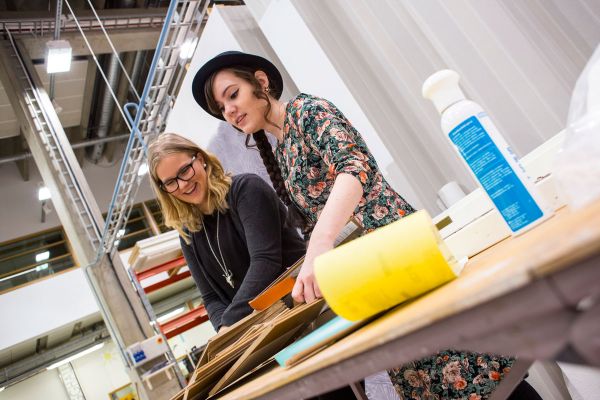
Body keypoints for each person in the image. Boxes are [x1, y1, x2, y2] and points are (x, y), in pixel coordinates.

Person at [190, 51, 541, 400]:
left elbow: (354, 166)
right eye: (221, 108)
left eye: (232, 95)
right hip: (371, 275)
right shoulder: (282, 148)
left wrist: (319, 246)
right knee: (435, 381)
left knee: (478, 370)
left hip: (397, 253)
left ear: (260, 82)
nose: (229, 110)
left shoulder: (308, 111)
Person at [147, 133, 305, 331]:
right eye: (171, 182)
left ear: (200, 159)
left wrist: (230, 322)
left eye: (185, 170)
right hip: (263, 325)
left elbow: (265, 261)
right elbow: (211, 297)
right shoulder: (188, 234)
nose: (183, 184)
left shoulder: (246, 190)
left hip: (303, 300)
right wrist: (222, 329)